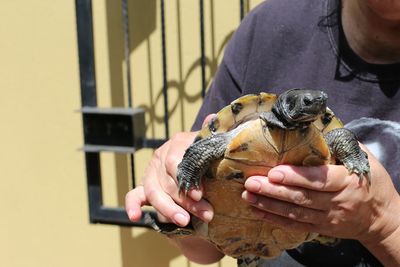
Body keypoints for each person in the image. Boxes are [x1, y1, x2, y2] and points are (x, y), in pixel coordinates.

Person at [125, 0, 400, 266]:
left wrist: (383, 221)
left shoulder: (330, 135)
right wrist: (178, 196)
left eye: (319, 104)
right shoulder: (269, 28)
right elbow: (204, 251)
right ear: (288, 104)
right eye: (307, 103)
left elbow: (340, 140)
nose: (316, 107)